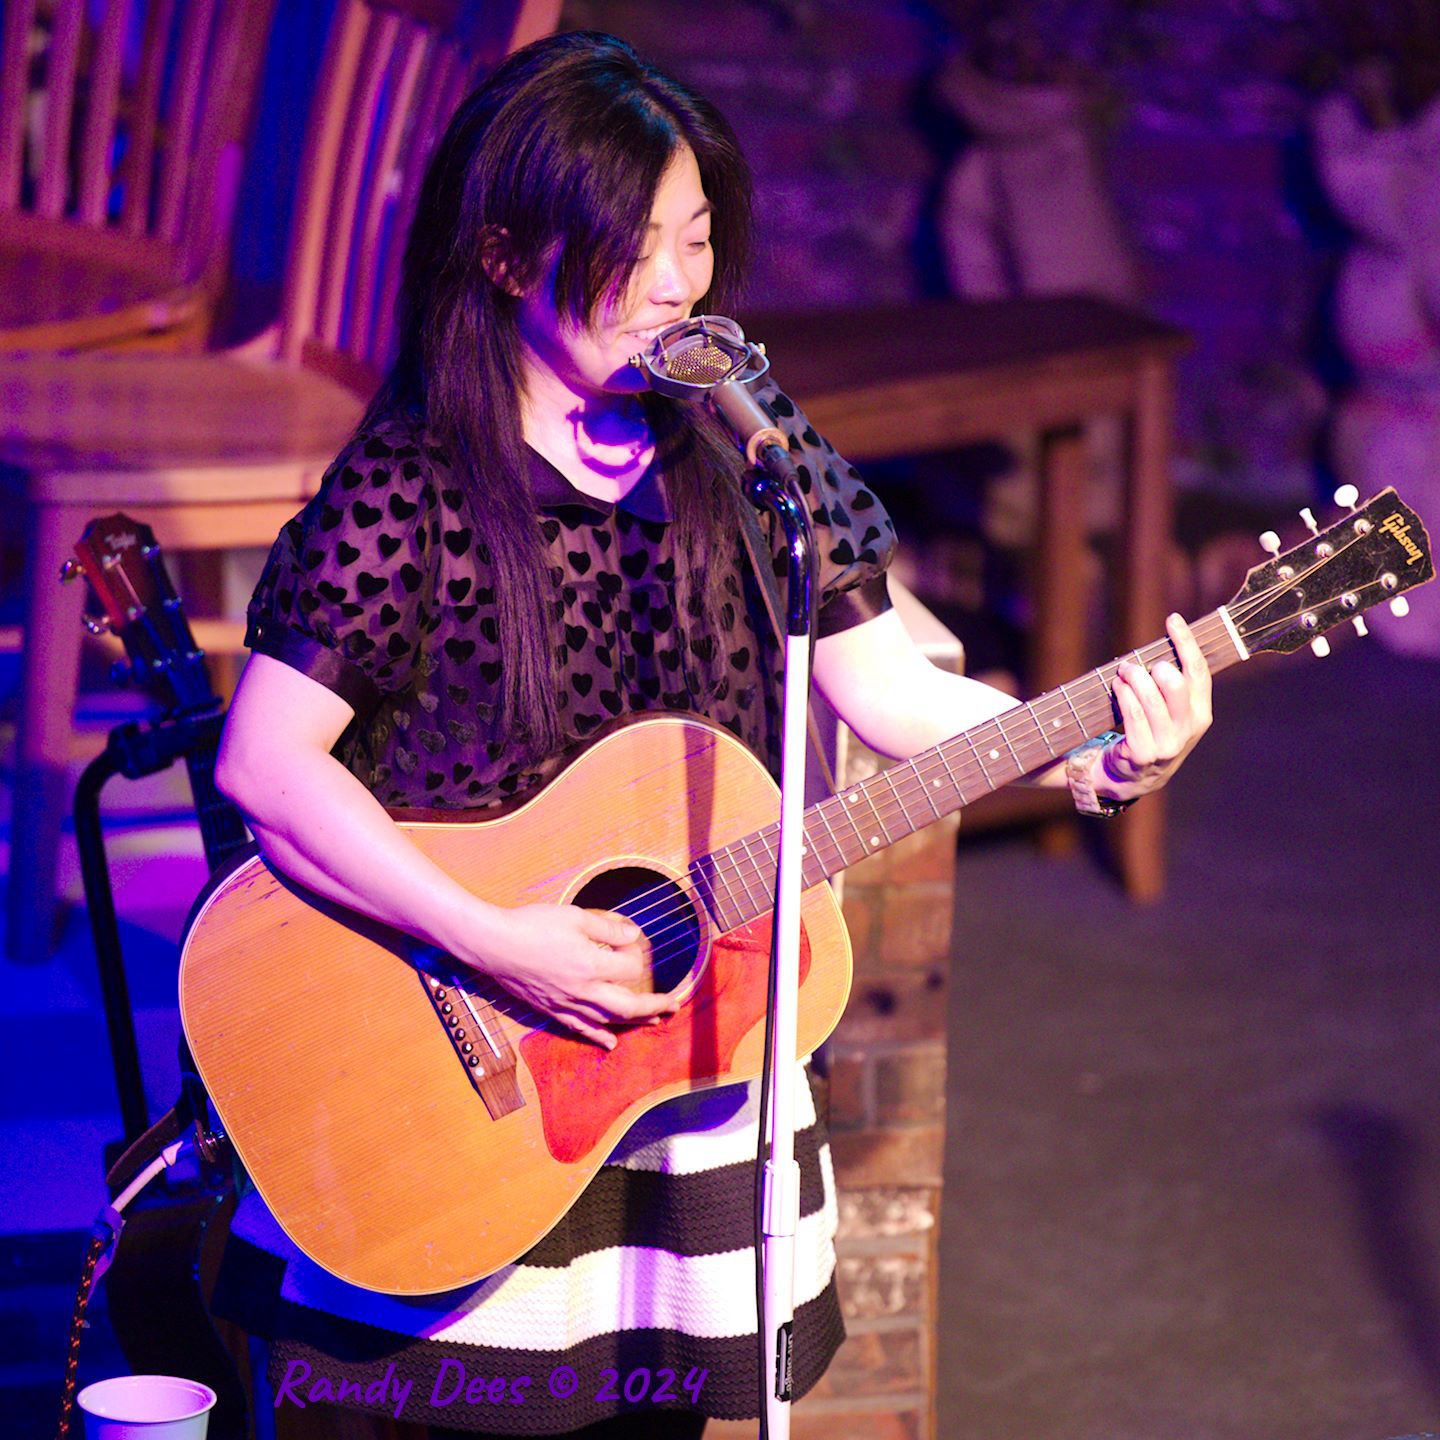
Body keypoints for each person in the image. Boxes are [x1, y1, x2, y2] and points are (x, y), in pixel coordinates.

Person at [210, 29, 1213, 1439]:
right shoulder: (412, 486)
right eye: (634, 251)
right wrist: (494, 939)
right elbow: (265, 766)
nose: (679, 285)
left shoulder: (752, 455)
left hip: (678, 1061)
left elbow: (895, 697)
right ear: (504, 257)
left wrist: (1092, 750)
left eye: (695, 239)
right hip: (460, 1041)